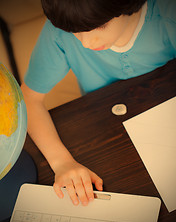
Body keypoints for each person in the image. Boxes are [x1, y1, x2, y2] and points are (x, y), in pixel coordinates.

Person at [21, 0, 176, 206]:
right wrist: (62, 162)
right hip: (107, 132)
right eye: (76, 32)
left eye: (100, 26)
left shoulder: (168, 12)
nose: (86, 43)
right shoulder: (60, 31)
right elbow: (29, 100)